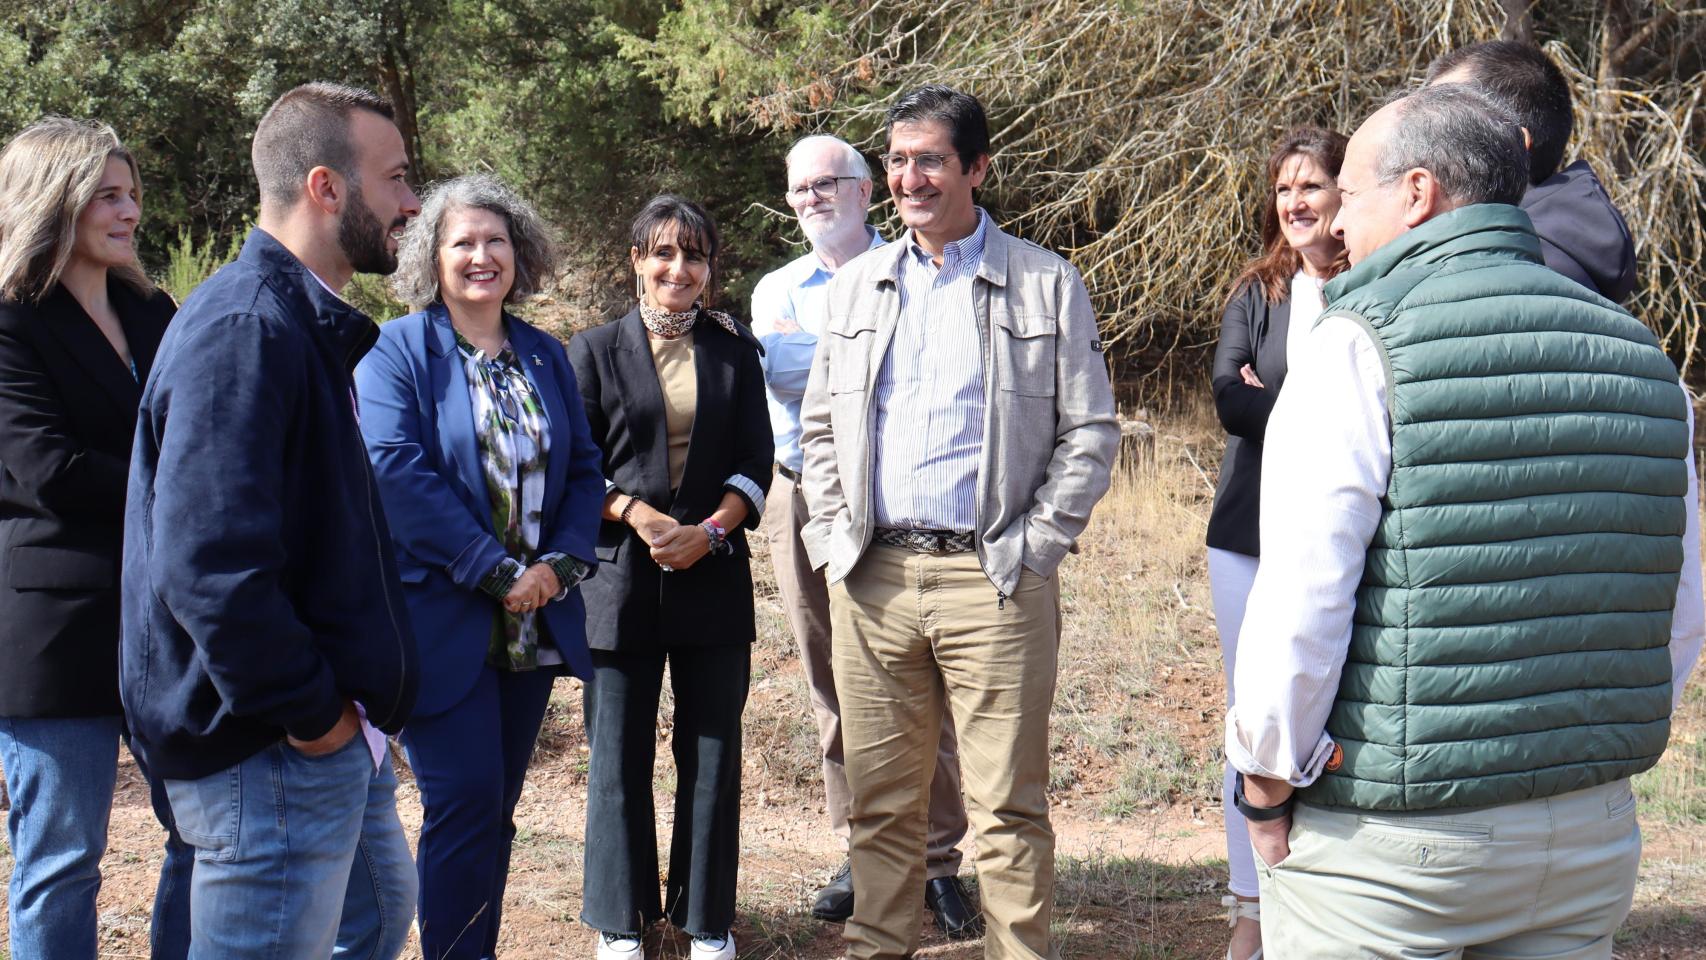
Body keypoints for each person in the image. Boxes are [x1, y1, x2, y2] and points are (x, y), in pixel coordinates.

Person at [1224, 83, 1705, 959]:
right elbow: (1677, 608)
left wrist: (1264, 785)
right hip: (1588, 836)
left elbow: (1301, 603)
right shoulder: (1645, 357)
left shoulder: (1355, 346)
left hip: (1394, 847)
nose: (1333, 225)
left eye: (1350, 195)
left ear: (1418, 193)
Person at [798, 84, 1119, 960]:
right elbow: (820, 427)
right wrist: (833, 544)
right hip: (874, 580)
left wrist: (1036, 547)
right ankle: (878, 947)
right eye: (898, 160)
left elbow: (1089, 433)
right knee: (882, 803)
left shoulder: (1046, 282)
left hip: (996, 583)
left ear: (977, 167)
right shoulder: (858, 285)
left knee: (1008, 808)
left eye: (930, 159)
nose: (910, 178)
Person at [119, 82, 422, 959]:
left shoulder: (294, 323)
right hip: (270, 748)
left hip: (325, 742)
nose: (411, 201)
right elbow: (211, 564)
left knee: (375, 913)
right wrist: (311, 716)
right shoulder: (246, 328)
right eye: (396, 178)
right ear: (327, 188)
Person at [355, 174, 605, 960]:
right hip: (443, 618)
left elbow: (583, 469)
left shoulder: (544, 353)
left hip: (534, 623)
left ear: (519, 252)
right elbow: (393, 472)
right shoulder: (395, 351)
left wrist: (559, 566)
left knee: (496, 807)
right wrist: (496, 570)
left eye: (495, 240)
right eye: (462, 241)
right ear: (431, 257)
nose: (481, 255)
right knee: (461, 804)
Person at [750, 133, 978, 934]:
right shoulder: (772, 292)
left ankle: (941, 862)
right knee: (832, 682)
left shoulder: (913, 272)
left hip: (896, 506)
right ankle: (863, 850)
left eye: (828, 182)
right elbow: (769, 396)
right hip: (802, 501)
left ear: (865, 191)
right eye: (798, 188)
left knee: (925, 680)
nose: (812, 197)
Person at [0, 117, 191, 960]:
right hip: (56, 634)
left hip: (168, 624)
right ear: (56, 200)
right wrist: (187, 488)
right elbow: (46, 469)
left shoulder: (155, 312)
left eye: (133, 195)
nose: (130, 212)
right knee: (62, 863)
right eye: (108, 195)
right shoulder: (10, 324)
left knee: (200, 830)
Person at [567, 195, 772, 960]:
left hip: (712, 574)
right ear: (636, 262)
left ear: (710, 269)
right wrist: (635, 514)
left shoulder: (734, 353)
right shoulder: (589, 352)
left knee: (712, 753)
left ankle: (705, 922)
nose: (677, 269)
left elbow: (758, 463)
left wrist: (711, 530)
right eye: (662, 253)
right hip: (617, 581)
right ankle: (622, 924)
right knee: (617, 756)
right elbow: (571, 467)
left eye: (693, 256)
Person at [1206, 124, 1348, 960]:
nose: (1294, 202)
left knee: (1329, 711)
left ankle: (1324, 898)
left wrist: (1281, 407)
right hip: (1248, 534)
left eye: (1313, 186)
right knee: (1253, 717)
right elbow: (1229, 399)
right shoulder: (1259, 290)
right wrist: (1321, 417)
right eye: (1284, 187)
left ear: (1346, 197)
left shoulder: (1377, 285)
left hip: (1341, 539)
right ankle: (1251, 906)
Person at [1426, 40, 1637, 303]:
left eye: (1439, 127)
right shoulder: (1569, 271)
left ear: (1509, 146)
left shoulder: (1494, 283)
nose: (1419, 146)